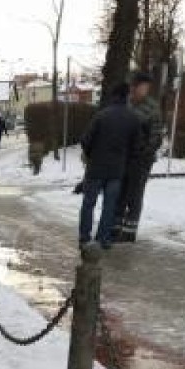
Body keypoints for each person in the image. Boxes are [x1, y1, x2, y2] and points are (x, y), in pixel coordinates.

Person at [78, 82, 141, 250]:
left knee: (88, 203)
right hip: (116, 170)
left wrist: (92, 156)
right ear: (127, 96)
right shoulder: (133, 118)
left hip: (96, 168)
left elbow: (85, 140)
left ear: (113, 96)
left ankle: (84, 238)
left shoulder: (101, 115)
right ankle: (103, 239)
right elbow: (136, 148)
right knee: (110, 205)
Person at [114, 70, 163, 242]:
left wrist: (143, 153)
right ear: (133, 87)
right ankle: (115, 228)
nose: (143, 91)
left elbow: (156, 136)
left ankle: (129, 232)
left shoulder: (152, 107)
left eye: (146, 87)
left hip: (141, 160)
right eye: (140, 87)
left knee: (135, 195)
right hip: (123, 158)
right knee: (120, 193)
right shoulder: (125, 104)